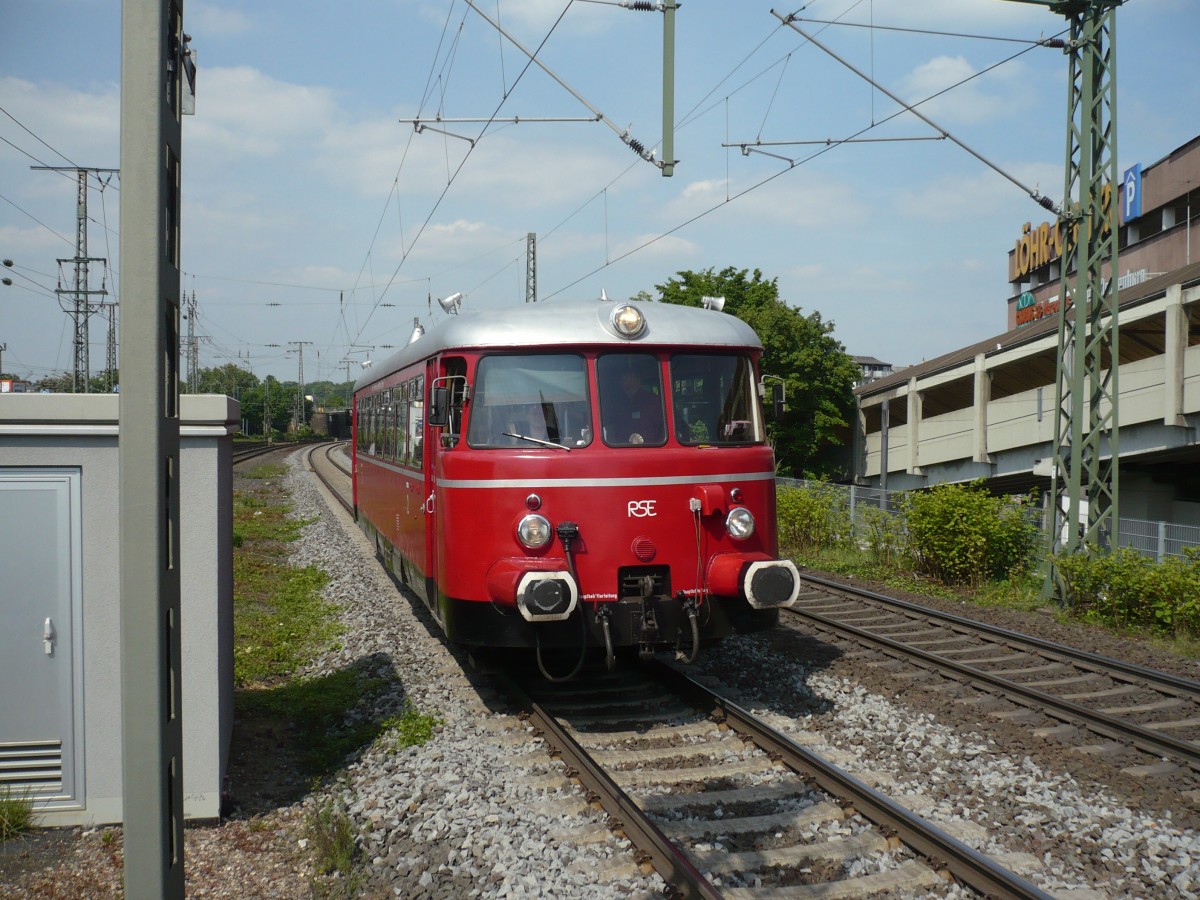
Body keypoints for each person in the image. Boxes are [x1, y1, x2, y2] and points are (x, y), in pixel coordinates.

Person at [602, 364, 665, 444]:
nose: (629, 384)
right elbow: (608, 423)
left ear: (639, 381)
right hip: (621, 447)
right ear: (621, 383)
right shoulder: (616, 403)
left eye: (632, 379)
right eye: (625, 380)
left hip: (649, 447)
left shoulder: (653, 400)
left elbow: (663, 425)